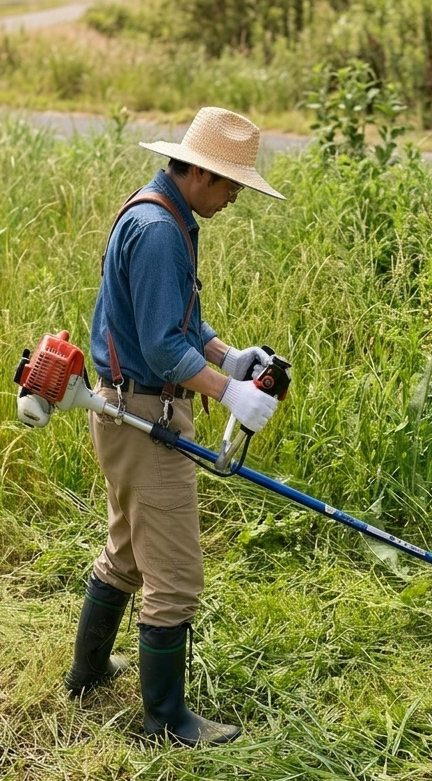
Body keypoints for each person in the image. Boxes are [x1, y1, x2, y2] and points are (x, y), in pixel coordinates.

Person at [64, 107, 285, 746]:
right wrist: (230, 393)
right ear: (200, 172)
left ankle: (87, 672)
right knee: (177, 575)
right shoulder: (161, 230)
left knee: (128, 551)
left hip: (123, 406)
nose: (235, 196)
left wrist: (227, 356)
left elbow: (177, 322)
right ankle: (166, 720)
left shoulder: (162, 211)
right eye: (232, 183)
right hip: (143, 414)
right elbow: (162, 348)